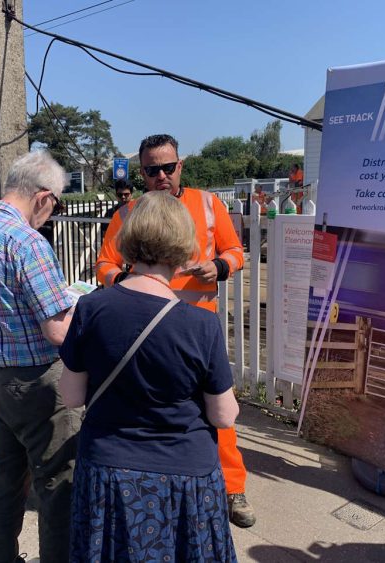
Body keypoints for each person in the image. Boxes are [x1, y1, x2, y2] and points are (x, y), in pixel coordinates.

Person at [60, 191, 239, 562]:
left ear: (128, 242)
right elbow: (224, 416)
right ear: (184, 249)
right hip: (184, 477)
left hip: (108, 471)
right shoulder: (201, 325)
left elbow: (72, 396)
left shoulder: (90, 308)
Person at [96, 134, 257, 528]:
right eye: (152, 170)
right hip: (146, 329)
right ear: (142, 173)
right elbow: (104, 265)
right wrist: (127, 286)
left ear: (180, 166)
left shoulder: (207, 203)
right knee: (153, 413)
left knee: (217, 410)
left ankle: (232, 488)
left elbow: (236, 252)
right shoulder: (128, 213)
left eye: (168, 168)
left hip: (198, 324)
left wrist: (217, 268)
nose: (161, 176)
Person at [0, 150, 80, 563]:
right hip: (38, 381)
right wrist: (82, 304)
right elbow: (59, 330)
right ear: (43, 197)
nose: (52, 213)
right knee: (58, 484)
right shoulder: (27, 242)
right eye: (55, 204)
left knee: (5, 478)